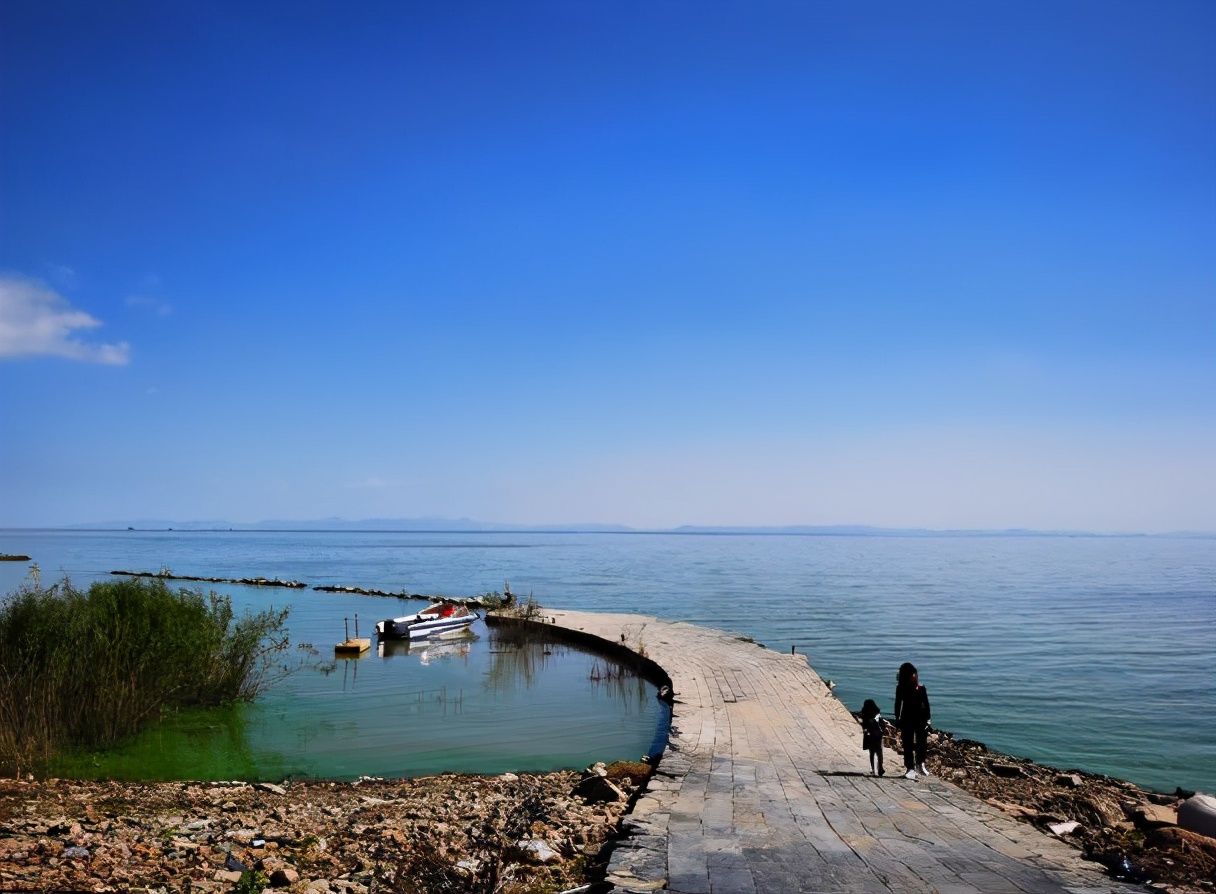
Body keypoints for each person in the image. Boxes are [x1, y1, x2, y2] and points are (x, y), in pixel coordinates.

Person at [894, 661, 931, 779]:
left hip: (921, 718)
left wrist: (928, 719)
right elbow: (898, 703)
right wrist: (897, 718)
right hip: (906, 718)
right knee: (908, 744)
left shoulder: (921, 688)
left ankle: (920, 764)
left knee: (922, 743)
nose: (914, 676)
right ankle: (910, 768)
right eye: (912, 674)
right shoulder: (900, 688)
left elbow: (926, 704)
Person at [859, 698, 885, 776]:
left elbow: (864, 726)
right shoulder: (877, 714)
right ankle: (880, 768)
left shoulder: (865, 715)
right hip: (878, 735)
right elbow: (882, 725)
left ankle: (873, 769)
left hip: (869, 736)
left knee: (872, 753)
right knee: (879, 753)